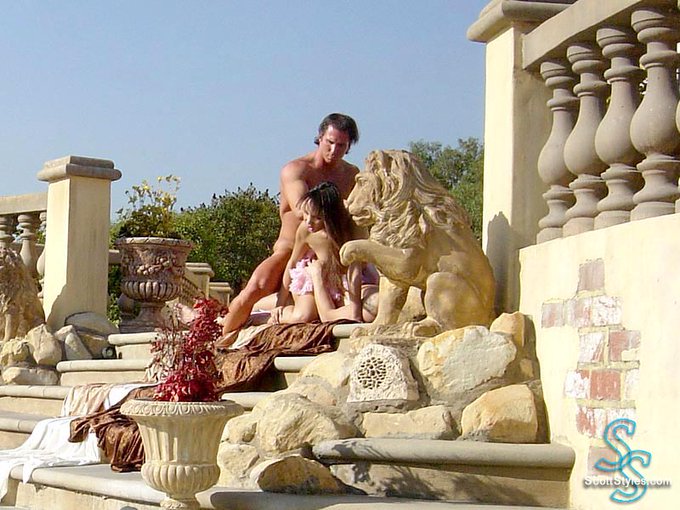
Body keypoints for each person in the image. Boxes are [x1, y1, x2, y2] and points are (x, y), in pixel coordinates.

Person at [218, 113, 361, 342]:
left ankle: (258, 314)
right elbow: (303, 210)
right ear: (320, 137)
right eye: (330, 142)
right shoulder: (297, 170)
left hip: (331, 254)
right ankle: (221, 337)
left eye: (341, 145)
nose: (334, 150)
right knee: (256, 287)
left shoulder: (352, 175)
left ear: (349, 146)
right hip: (291, 248)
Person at [268, 181, 376, 325]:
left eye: (317, 218)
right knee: (304, 316)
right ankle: (264, 315)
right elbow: (293, 262)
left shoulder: (352, 227)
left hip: (345, 279)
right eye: (306, 214)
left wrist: (355, 311)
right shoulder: (305, 229)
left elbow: (355, 268)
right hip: (315, 274)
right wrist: (279, 303)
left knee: (369, 309)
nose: (309, 222)